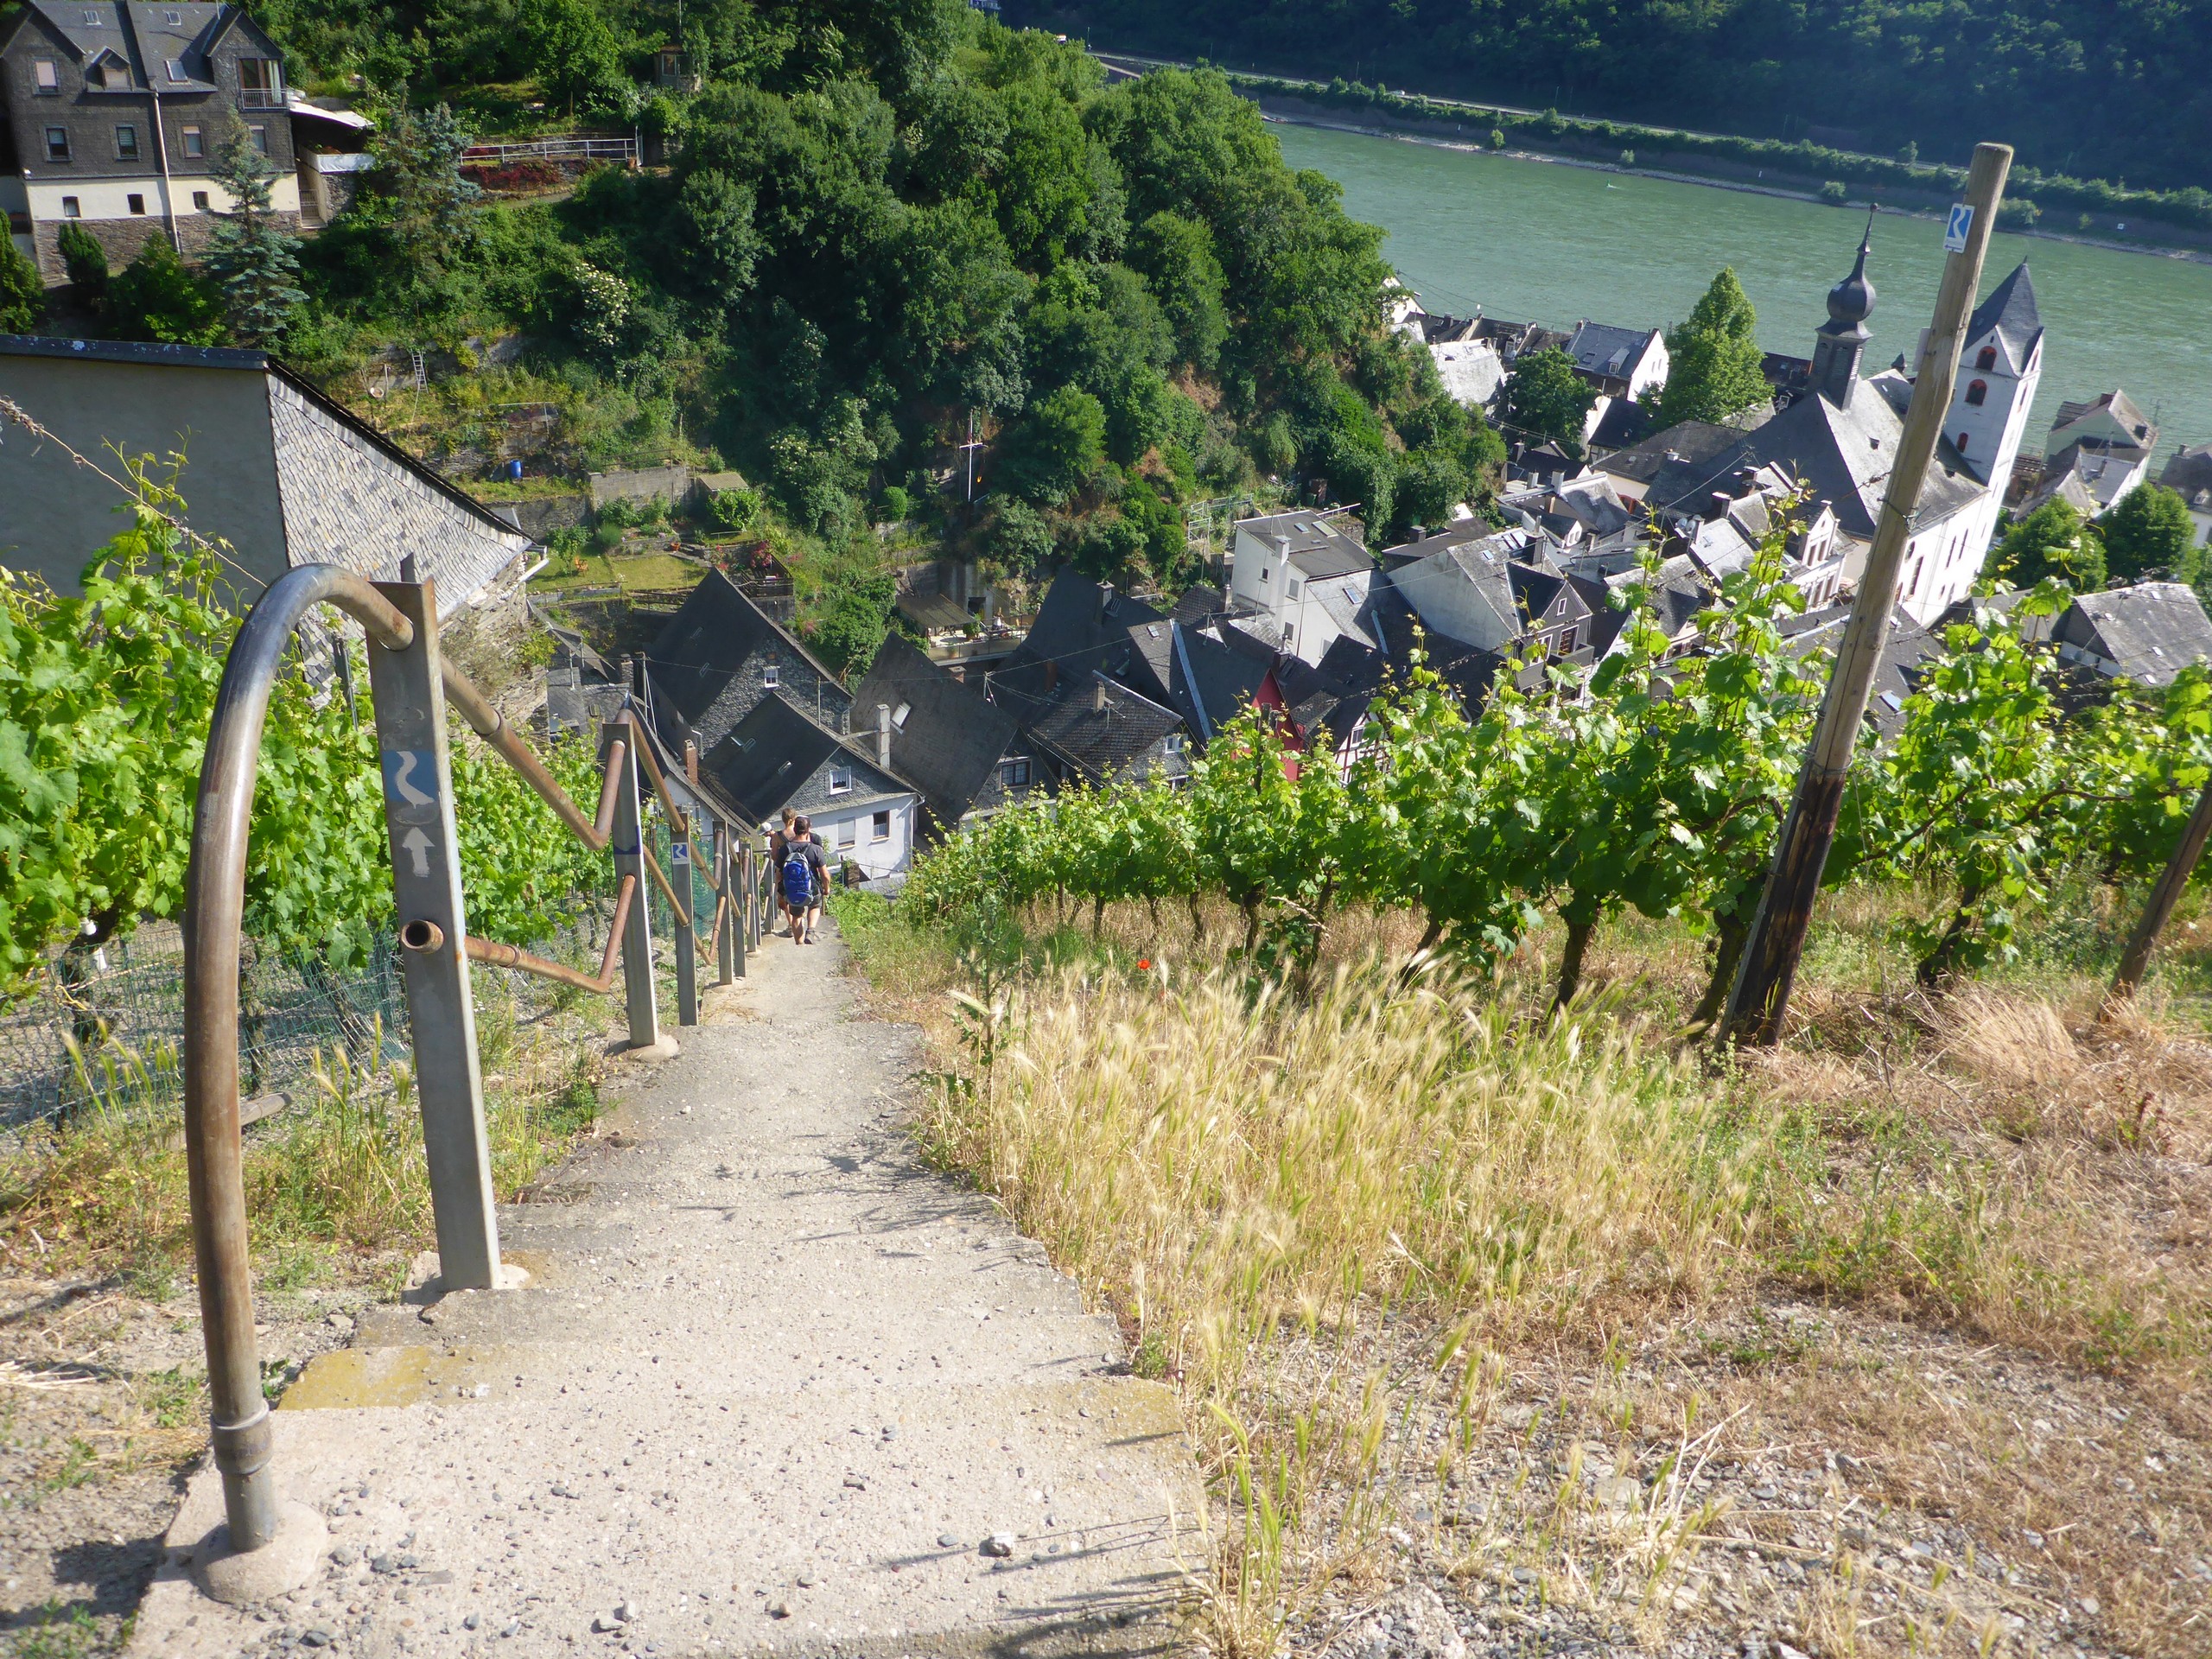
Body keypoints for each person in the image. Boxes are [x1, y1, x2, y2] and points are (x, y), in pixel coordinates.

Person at [779, 814, 830, 944]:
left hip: (792, 889)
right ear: (809, 829)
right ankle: (811, 931)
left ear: (794, 828)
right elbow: (824, 874)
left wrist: (780, 893)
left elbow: (778, 874)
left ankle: (799, 943)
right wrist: (826, 888)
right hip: (812, 888)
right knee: (815, 906)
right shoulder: (816, 849)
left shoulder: (785, 848)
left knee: (796, 916)